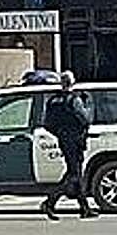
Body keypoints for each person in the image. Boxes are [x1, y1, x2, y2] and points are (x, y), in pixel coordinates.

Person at [40, 71, 95, 221]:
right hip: (75, 139)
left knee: (75, 173)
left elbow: (47, 124)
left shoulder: (53, 100)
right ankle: (50, 202)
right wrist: (89, 103)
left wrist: (60, 133)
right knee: (74, 174)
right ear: (73, 82)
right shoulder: (73, 100)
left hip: (64, 140)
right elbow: (86, 119)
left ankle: (84, 208)